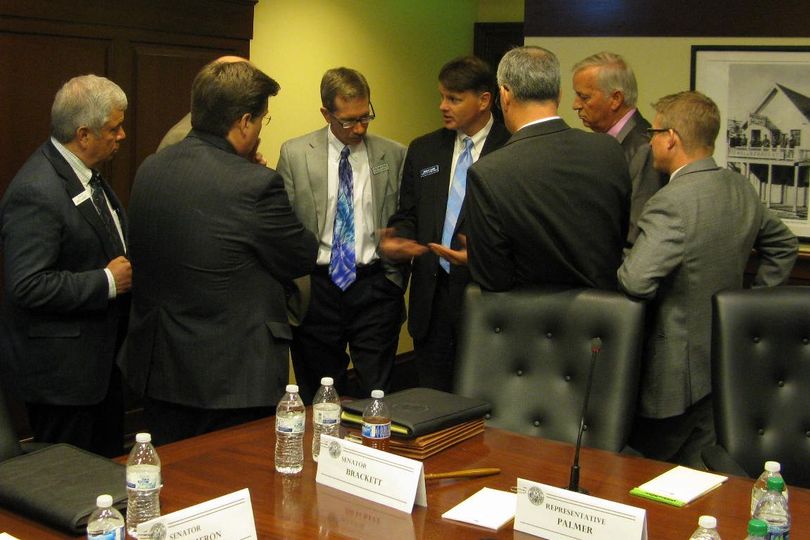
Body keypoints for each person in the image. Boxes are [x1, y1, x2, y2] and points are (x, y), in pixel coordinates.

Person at [124, 60, 318, 445]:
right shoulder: (255, 184)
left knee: (175, 482)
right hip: (232, 377)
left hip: (163, 368)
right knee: (232, 489)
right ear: (244, 121)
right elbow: (301, 254)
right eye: (262, 120)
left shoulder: (151, 167)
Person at [618, 91, 797, 467]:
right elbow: (783, 245)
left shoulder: (672, 201)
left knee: (649, 475)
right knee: (705, 471)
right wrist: (749, 307)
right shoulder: (738, 186)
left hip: (673, 378)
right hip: (724, 363)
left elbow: (635, 280)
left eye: (653, 131)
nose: (650, 141)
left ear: (671, 138)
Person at [0, 74, 130, 457]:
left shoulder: (87, 174)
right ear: (84, 134)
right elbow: (27, 285)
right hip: (63, 382)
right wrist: (106, 281)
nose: (121, 136)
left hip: (98, 371)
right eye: (114, 128)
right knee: (68, 485)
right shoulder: (36, 190)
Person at [277, 67, 407, 403]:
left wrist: (394, 277)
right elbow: (284, 226)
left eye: (366, 116)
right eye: (349, 120)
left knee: (376, 392)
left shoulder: (392, 154)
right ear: (326, 113)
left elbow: (405, 216)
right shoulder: (295, 155)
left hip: (374, 286)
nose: (360, 128)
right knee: (321, 393)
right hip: (317, 289)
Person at [381, 56, 510, 391]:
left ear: (484, 100)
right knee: (432, 401)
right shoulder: (424, 149)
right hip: (431, 301)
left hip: (485, 299)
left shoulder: (512, 147)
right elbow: (409, 213)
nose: (443, 106)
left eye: (454, 99)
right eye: (442, 96)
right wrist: (400, 241)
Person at [466, 46, 631, 292]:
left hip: (526, 323)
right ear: (560, 94)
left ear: (505, 94)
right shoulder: (609, 151)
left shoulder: (488, 173)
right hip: (606, 322)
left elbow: (493, 279)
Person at [572, 52, 667, 246]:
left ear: (615, 99)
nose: (575, 105)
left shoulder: (643, 148)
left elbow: (639, 235)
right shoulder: (602, 143)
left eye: (584, 97)